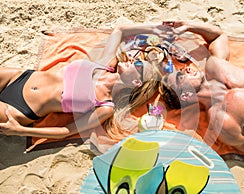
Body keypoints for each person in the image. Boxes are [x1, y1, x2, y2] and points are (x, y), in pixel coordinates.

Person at [0, 23, 169, 139]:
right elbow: (120, 29)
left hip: (20, 109)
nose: (134, 59)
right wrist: (159, 29)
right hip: (18, 77)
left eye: (138, 64)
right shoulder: (105, 64)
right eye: (138, 58)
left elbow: (66, 131)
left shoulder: (105, 107)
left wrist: (19, 131)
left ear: (136, 83)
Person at [160, 21, 244, 159]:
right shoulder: (224, 122)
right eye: (181, 77)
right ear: (185, 96)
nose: (187, 68)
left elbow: (218, 36)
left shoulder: (215, 66)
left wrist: (188, 25)